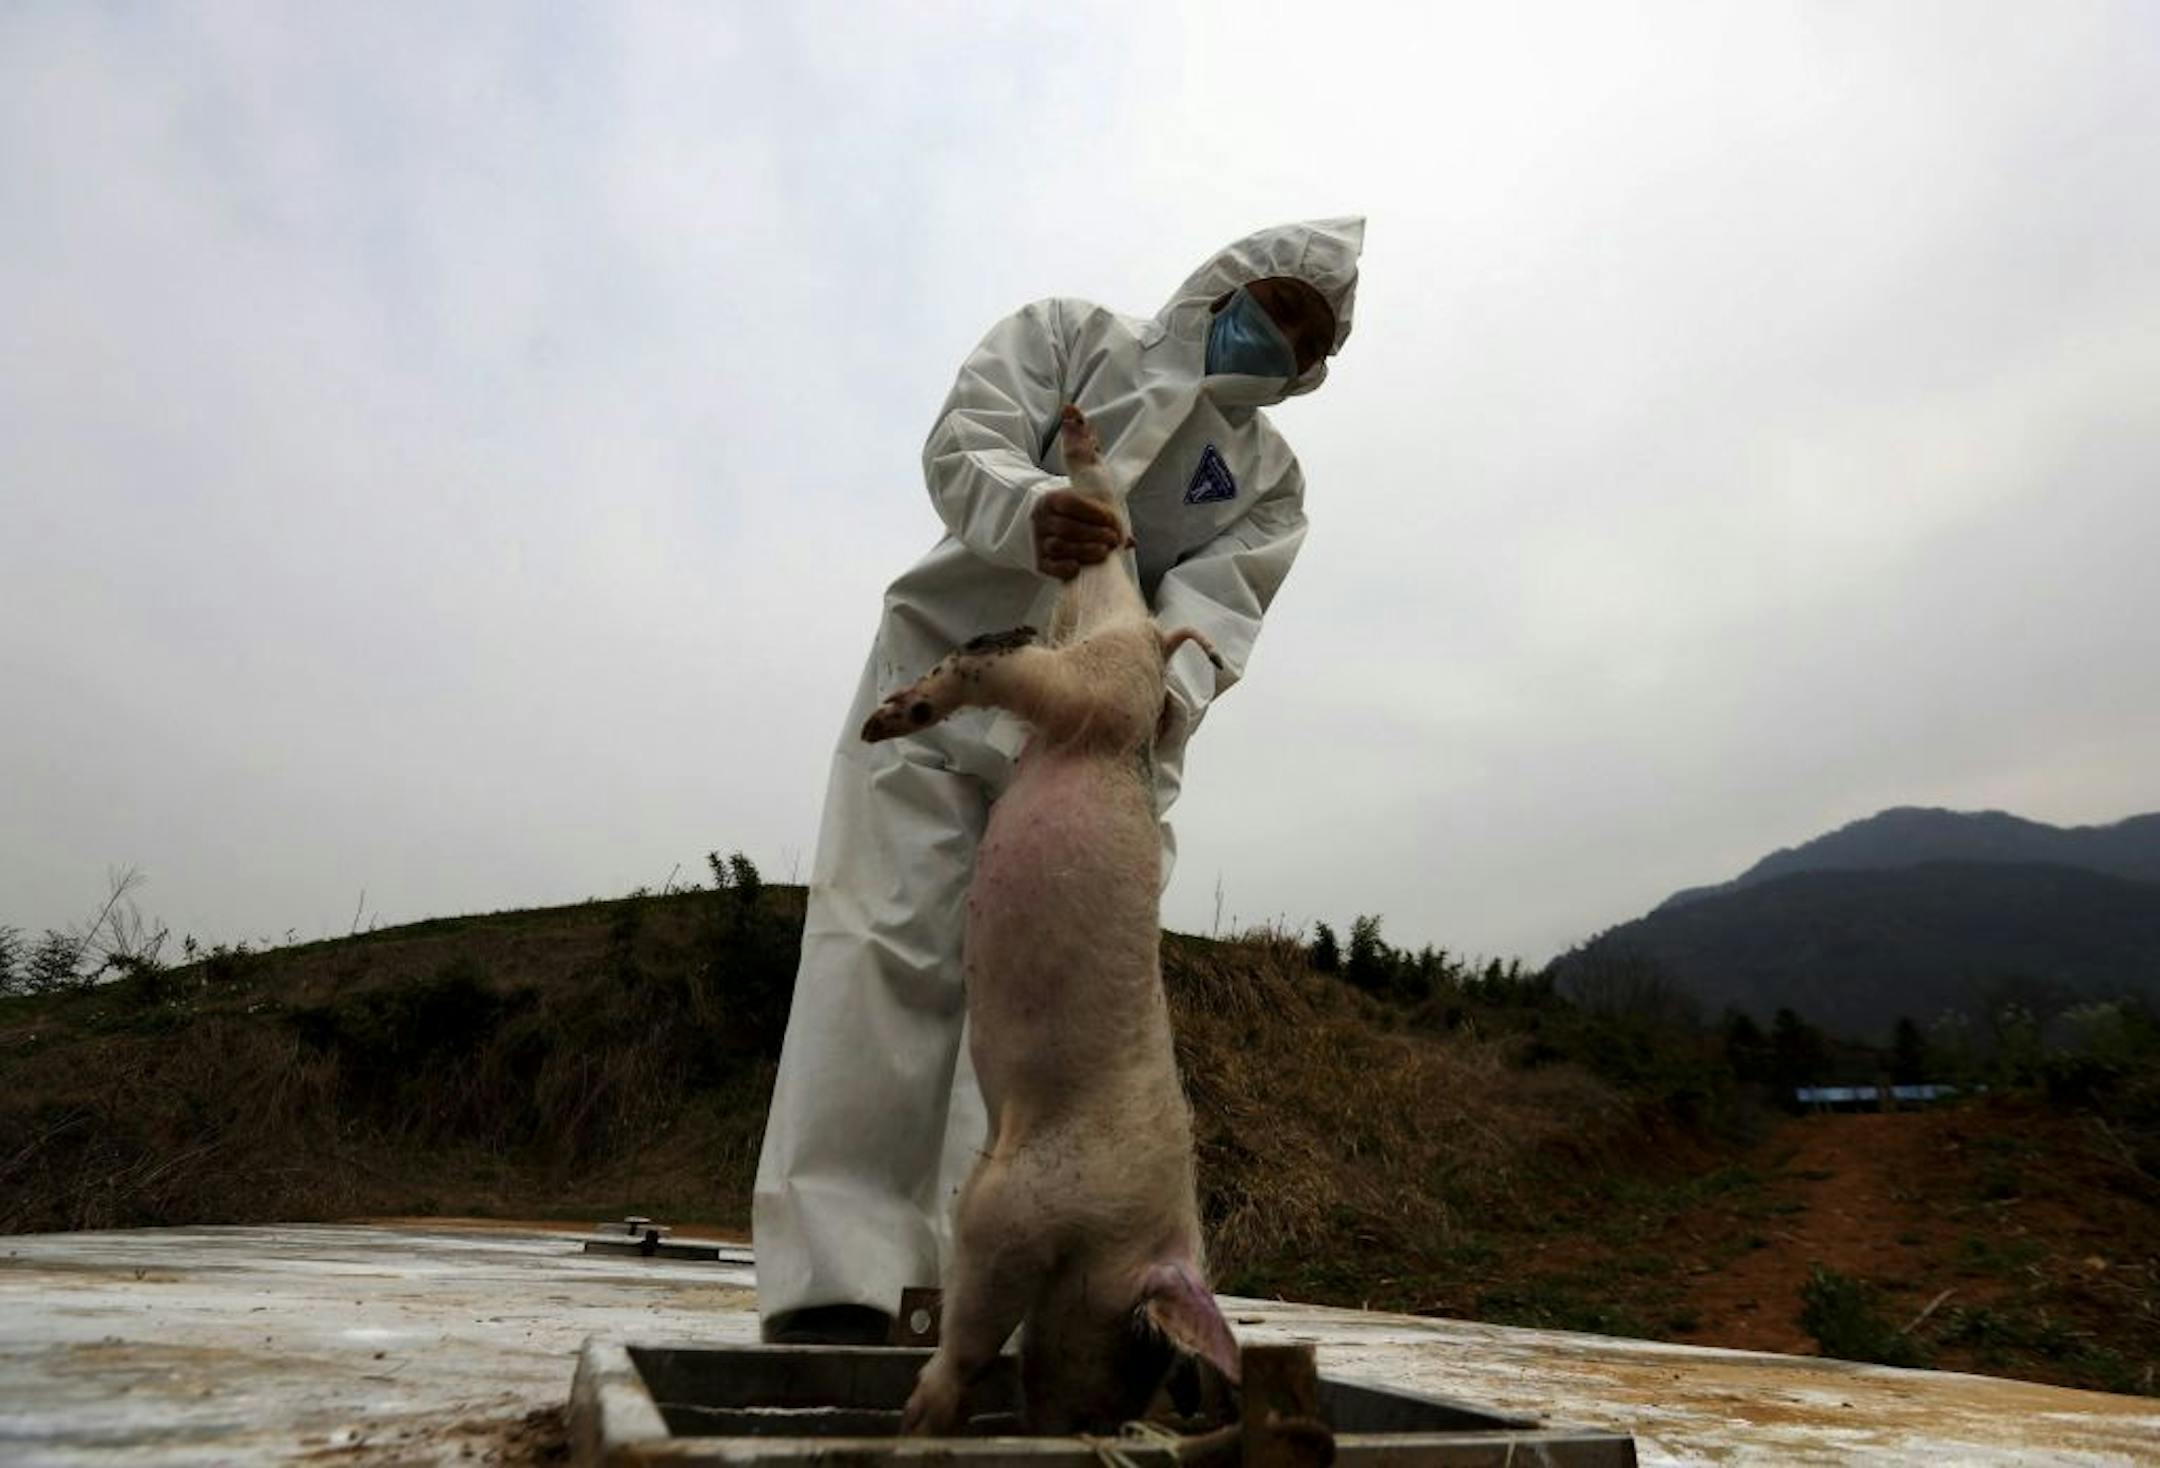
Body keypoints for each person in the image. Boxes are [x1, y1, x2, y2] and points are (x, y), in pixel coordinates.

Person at [754, 218, 1366, 1344]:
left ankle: (1009, 1294)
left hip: (1100, 759)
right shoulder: (1070, 337)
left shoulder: (1270, 484)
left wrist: (1139, 707)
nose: (1280, 336)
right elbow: (965, 440)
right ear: (1226, 279)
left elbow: (1216, 621)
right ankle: (841, 1284)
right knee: (885, 947)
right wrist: (1025, 507)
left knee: (1054, 1018)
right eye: (1274, 303)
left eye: (1307, 335)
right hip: (945, 684)